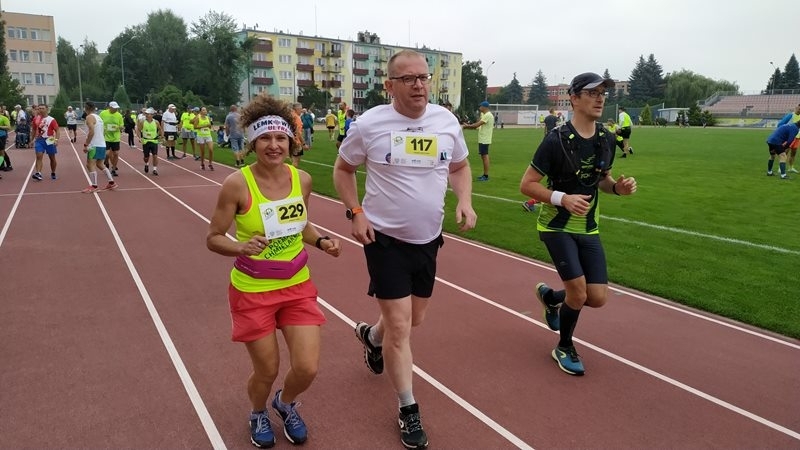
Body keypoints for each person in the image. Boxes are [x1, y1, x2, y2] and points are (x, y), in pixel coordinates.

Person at [333, 49, 477, 449]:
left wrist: (465, 200)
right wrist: (355, 212)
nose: (418, 85)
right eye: (408, 78)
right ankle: (408, 409)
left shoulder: (446, 121)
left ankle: (371, 337)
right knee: (400, 327)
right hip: (384, 240)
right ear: (390, 85)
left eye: (423, 77)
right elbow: (343, 169)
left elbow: (460, 166)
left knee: (413, 319)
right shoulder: (369, 124)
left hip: (428, 239)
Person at [206, 94, 342, 449]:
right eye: (265, 138)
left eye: (280, 137)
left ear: (290, 140)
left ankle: (285, 403)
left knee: (307, 367)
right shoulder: (236, 184)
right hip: (253, 291)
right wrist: (240, 246)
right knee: (267, 370)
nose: (274, 145)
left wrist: (322, 241)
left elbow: (301, 225)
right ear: (252, 141)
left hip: (297, 286)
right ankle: (257, 412)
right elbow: (213, 237)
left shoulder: (303, 179)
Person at [519, 72, 637, 376]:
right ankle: (564, 346)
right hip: (556, 226)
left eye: (602, 94)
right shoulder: (555, 140)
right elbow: (527, 185)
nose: (600, 99)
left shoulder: (606, 139)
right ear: (573, 99)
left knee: (596, 297)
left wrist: (617, 188)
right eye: (592, 93)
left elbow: (602, 179)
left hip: (588, 227)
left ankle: (551, 298)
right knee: (579, 293)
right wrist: (563, 199)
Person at [523, 108, 560, 212]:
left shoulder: (547, 118)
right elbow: (557, 126)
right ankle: (530, 202)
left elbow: (545, 128)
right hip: (556, 139)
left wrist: (545, 138)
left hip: (549, 137)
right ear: (553, 111)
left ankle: (530, 203)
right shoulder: (555, 119)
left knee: (553, 190)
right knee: (553, 191)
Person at [80, 102, 118, 193]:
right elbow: (103, 131)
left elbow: (91, 132)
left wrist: (86, 144)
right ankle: (112, 182)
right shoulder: (99, 117)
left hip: (94, 145)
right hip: (102, 144)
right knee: (100, 164)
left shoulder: (89, 117)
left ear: (86, 108)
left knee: (90, 164)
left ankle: (94, 186)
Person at [462, 100, 495, 181]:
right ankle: (485, 175)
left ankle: (486, 175)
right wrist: (469, 126)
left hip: (485, 139)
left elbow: (477, 125)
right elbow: (477, 126)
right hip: (483, 138)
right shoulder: (484, 115)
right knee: (483, 156)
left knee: (485, 156)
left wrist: (467, 126)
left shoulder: (488, 115)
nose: (479, 108)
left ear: (484, 107)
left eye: (481, 106)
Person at [31, 104, 59, 181]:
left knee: (52, 158)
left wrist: (56, 140)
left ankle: (53, 172)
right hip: (39, 139)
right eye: (39, 108)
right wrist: (31, 140)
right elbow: (34, 129)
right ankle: (38, 173)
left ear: (47, 109)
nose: (40, 110)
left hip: (50, 139)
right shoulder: (36, 119)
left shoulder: (52, 119)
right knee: (39, 156)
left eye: (42, 108)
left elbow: (57, 130)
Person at [100, 101, 125, 176]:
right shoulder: (103, 113)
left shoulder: (119, 115)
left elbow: (122, 125)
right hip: (106, 136)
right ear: (110, 107)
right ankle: (106, 161)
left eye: (116, 108)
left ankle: (113, 169)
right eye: (114, 108)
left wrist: (121, 127)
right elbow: (99, 122)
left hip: (115, 137)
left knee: (116, 153)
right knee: (107, 153)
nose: (116, 109)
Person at [137, 107, 163, 175]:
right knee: (146, 157)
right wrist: (139, 137)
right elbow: (138, 130)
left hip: (154, 140)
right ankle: (146, 164)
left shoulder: (156, 122)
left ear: (152, 115)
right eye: (147, 114)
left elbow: (160, 129)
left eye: (149, 114)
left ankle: (154, 169)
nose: (148, 115)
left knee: (155, 155)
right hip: (145, 141)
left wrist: (161, 135)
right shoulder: (142, 122)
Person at [776, 104, 800, 173]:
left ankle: (791, 168)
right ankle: (780, 168)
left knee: (793, 153)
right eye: (799, 109)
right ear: (796, 108)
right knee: (785, 152)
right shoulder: (791, 115)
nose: (799, 111)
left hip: (797, 138)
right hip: (789, 137)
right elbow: (780, 124)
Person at [193, 106, 214, 171]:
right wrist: (204, 126)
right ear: (200, 111)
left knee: (211, 149)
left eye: (205, 110)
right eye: (203, 110)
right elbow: (195, 127)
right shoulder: (198, 118)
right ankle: (202, 163)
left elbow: (210, 126)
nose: (205, 111)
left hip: (208, 135)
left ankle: (210, 164)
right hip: (201, 136)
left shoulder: (208, 118)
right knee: (202, 152)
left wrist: (209, 126)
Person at [290, 103, 308, 167]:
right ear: (297, 109)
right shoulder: (297, 118)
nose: (301, 110)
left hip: (290, 141)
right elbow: (298, 132)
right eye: (301, 109)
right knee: (295, 162)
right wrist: (304, 144)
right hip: (296, 142)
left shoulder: (290, 116)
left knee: (293, 160)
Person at [0, 109, 11, 173]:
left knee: (2, 151)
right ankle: (3, 165)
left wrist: (0, 126)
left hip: (1, 136)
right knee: (2, 151)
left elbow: (8, 127)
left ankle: (5, 165)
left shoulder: (4, 118)